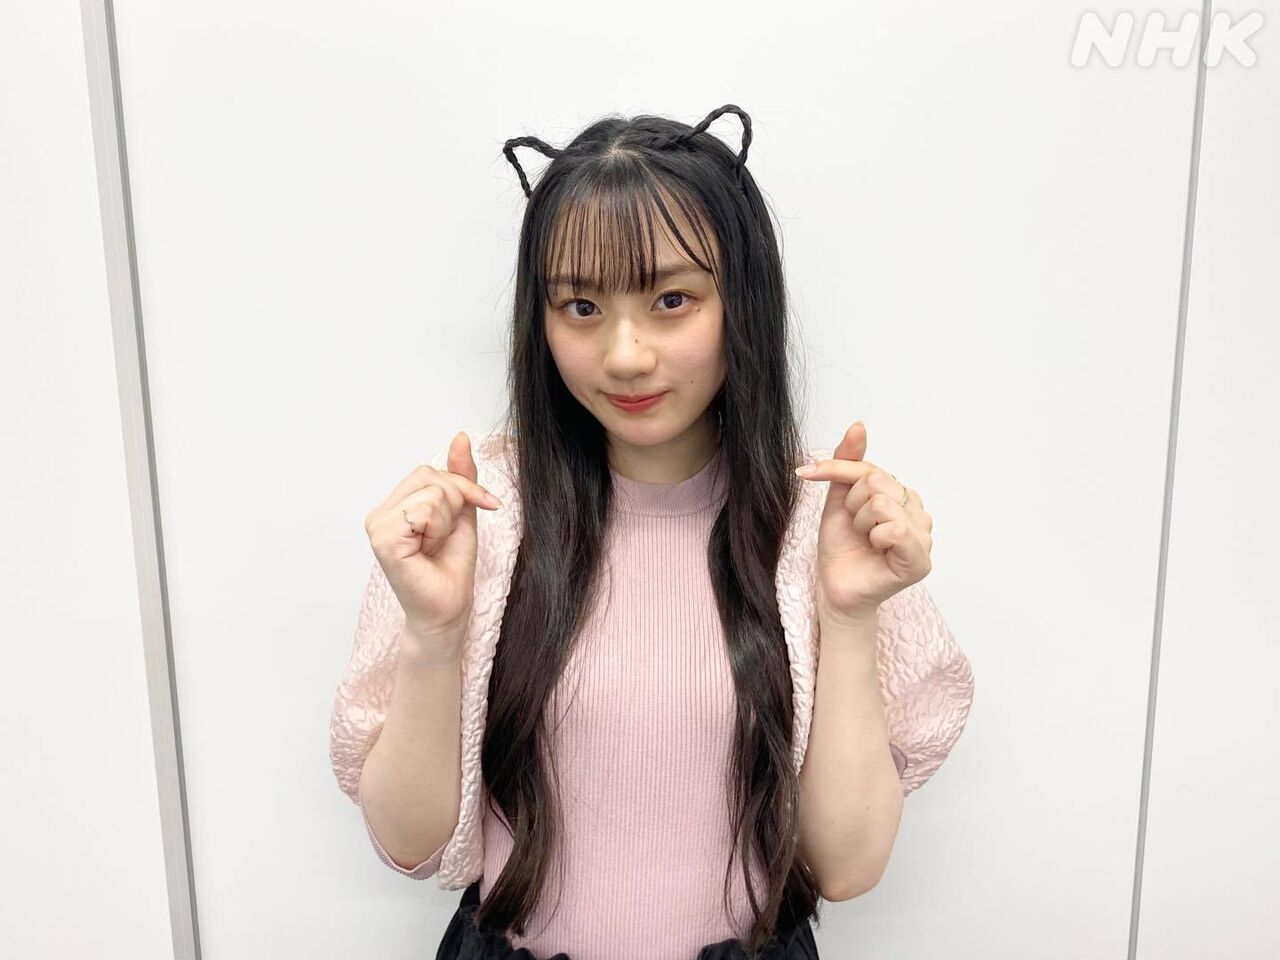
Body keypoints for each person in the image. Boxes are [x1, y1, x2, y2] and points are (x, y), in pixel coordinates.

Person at [330, 104, 975, 960]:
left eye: (672, 299)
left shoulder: (824, 525)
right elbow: (408, 844)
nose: (626, 355)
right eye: (581, 305)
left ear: (741, 302)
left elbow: (846, 868)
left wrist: (850, 618)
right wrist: (433, 633)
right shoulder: (479, 516)